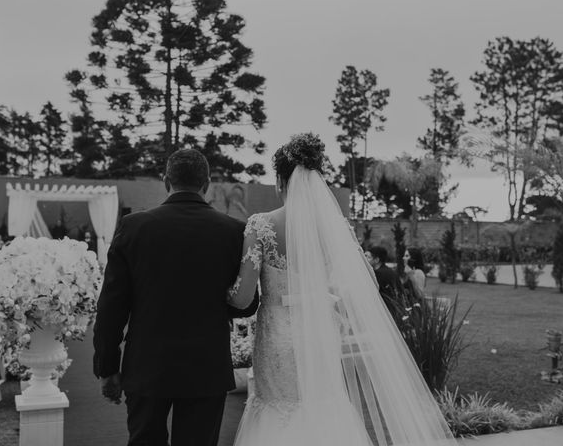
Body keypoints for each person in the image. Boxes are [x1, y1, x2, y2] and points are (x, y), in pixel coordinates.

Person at [228, 133, 457, 446]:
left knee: (279, 412)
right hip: (321, 337)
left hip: (278, 339)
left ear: (281, 181)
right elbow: (368, 284)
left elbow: (241, 297)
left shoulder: (260, 225)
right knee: (324, 408)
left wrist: (221, 294)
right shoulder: (336, 228)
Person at [93, 149, 259, 446]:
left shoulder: (134, 227)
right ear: (206, 184)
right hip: (206, 366)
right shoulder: (234, 232)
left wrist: (107, 367)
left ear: (166, 180)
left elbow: (111, 306)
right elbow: (248, 304)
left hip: (147, 365)